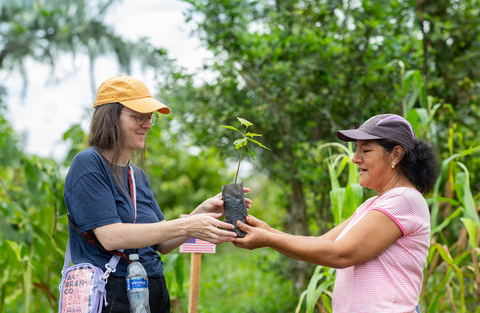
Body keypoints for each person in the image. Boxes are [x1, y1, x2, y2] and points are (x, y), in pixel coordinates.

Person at [64, 75, 250, 313]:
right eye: (138, 116)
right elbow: (111, 237)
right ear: (111, 117)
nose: (148, 125)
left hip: (152, 292)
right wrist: (187, 226)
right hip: (111, 294)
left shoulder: (136, 174)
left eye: (149, 117)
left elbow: (161, 243)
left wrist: (202, 212)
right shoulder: (89, 163)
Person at [233, 114, 437, 313]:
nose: (355, 158)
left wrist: (268, 239)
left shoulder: (404, 200)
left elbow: (340, 253)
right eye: (357, 150)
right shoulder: (373, 204)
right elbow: (322, 243)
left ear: (396, 154)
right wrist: (268, 232)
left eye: (365, 150)